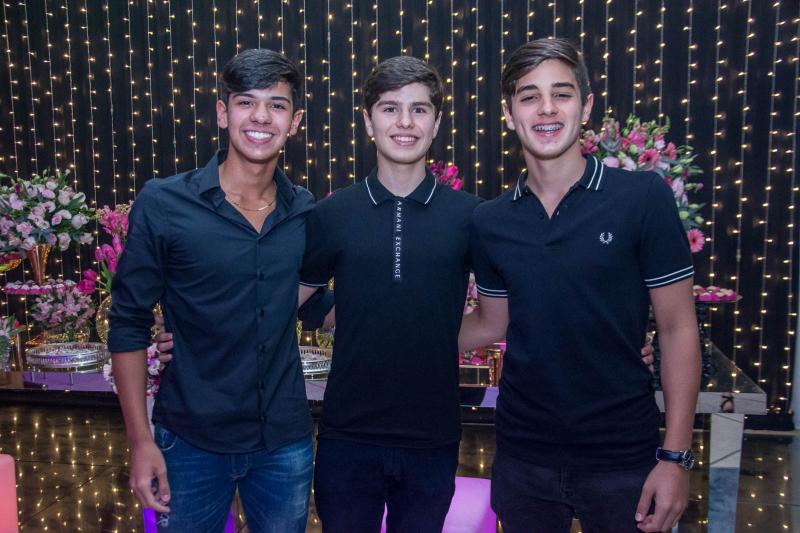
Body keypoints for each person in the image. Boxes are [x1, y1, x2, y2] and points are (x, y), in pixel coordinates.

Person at [459, 38, 700, 533]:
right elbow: (491, 324)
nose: (547, 108)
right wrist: (394, 331)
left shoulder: (641, 199)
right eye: (529, 96)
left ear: (586, 107)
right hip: (523, 457)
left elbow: (678, 329)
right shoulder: (490, 221)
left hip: (622, 458)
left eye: (562, 94)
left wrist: (675, 457)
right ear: (508, 114)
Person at [108, 49, 316, 533]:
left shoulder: (305, 211)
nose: (261, 116)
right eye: (246, 102)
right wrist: (140, 441)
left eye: (277, 105)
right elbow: (128, 322)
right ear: (223, 113)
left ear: (295, 121)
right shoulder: (165, 202)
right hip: (189, 441)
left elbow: (307, 299)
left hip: (284, 444)